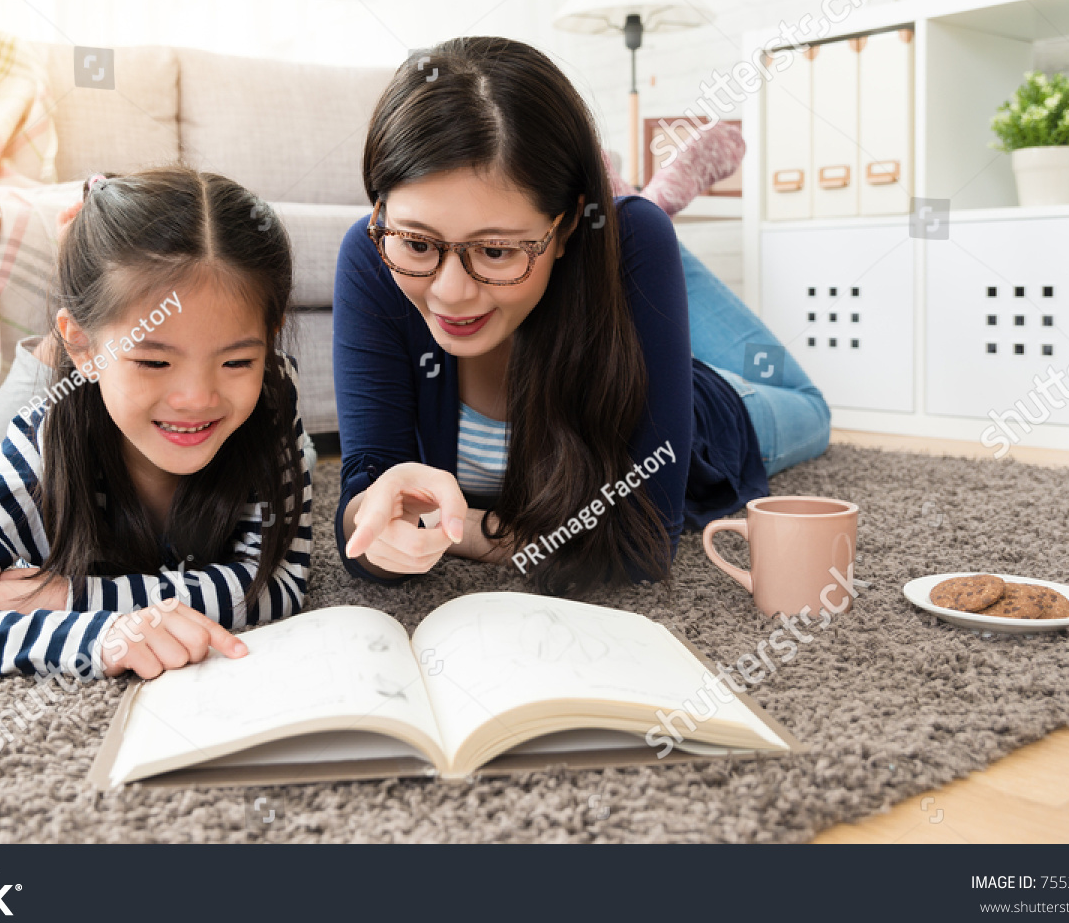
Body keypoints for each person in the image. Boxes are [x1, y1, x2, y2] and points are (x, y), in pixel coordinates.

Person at [334, 36, 829, 596]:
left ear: (564, 228)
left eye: (496, 250)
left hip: (708, 411)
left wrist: (467, 532)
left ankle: (633, 217)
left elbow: (643, 540)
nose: (450, 294)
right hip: (596, 260)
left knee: (812, 411)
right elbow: (365, 491)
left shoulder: (632, 244)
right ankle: (625, 213)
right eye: (419, 244)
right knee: (632, 235)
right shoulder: (372, 252)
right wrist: (368, 526)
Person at [0, 166, 313, 679]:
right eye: (154, 361)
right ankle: (59, 336)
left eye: (236, 362)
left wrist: (69, 597)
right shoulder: (37, 450)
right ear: (82, 346)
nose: (196, 399)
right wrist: (99, 637)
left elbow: (278, 584)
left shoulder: (272, 402)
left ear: (269, 341)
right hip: (56, 426)